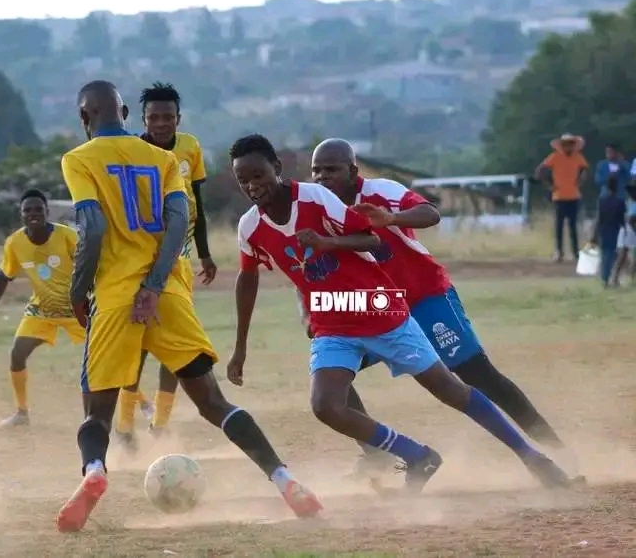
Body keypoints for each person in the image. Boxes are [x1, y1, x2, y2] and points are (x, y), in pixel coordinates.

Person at [228, 133, 572, 497]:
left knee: (466, 379)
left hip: (405, 302)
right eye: (318, 170)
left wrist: (375, 224)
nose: (324, 177)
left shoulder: (349, 196)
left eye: (332, 169)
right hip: (341, 316)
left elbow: (406, 224)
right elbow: (283, 272)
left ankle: (541, 453)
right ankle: (401, 455)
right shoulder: (252, 226)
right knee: (327, 402)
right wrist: (276, 329)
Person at [56, 81, 321, 533]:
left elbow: (94, 228)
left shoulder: (78, 160)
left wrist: (79, 290)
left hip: (116, 296)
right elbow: (180, 224)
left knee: (95, 413)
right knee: (214, 402)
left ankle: (96, 472)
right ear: (124, 112)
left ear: (85, 118)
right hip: (171, 295)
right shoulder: (163, 159)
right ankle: (285, 480)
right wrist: (156, 285)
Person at [115, 82, 217, 448]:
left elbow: (197, 204)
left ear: (178, 118)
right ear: (142, 120)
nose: (161, 123)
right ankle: (125, 426)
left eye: (168, 117)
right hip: (140, 260)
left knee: (175, 342)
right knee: (138, 342)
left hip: (181, 260)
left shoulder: (190, 148)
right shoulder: (133, 151)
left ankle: (160, 423)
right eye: (154, 117)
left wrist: (204, 252)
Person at [0, 189, 85, 428]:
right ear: (21, 215)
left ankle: (140, 403)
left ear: (47, 212)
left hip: (77, 309)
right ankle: (21, 413)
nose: (33, 213)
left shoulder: (67, 236)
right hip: (43, 310)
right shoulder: (15, 242)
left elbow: (91, 263)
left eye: (39, 209)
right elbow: (4, 274)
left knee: (106, 356)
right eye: (28, 210)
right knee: (17, 353)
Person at [535, 134, 589, 262]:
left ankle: (575, 252)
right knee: (559, 226)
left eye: (570, 144)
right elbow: (540, 170)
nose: (568, 146)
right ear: (562, 145)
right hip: (559, 196)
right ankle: (559, 252)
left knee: (573, 226)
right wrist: (549, 185)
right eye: (566, 144)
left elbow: (585, 170)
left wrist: (581, 181)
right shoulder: (555, 157)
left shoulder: (578, 157)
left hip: (573, 195)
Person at [590, 176, 627, 288]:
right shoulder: (620, 202)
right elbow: (622, 219)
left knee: (605, 253)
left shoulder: (602, 200)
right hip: (615, 230)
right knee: (612, 254)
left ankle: (605, 278)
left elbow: (598, 218)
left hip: (603, 229)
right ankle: (608, 278)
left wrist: (594, 234)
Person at [612, 182, 636, 286]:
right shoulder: (633, 204)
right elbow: (631, 220)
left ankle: (623, 276)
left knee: (623, 255)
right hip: (630, 230)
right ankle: (619, 277)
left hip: (626, 229)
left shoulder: (628, 202)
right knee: (623, 255)